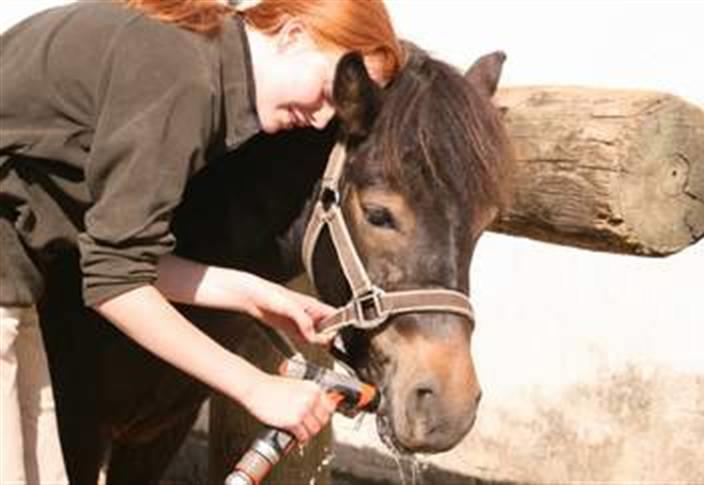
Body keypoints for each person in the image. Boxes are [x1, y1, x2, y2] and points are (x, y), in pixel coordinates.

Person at [0, 0, 403, 482]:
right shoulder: (181, 76)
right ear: (293, 34)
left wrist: (253, 296)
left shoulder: (197, 61)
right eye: (327, 91)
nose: (321, 121)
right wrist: (254, 388)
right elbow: (113, 283)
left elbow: (113, 253)